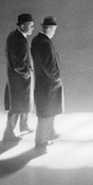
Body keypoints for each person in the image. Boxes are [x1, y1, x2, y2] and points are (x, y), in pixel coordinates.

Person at [32, 15, 63, 149]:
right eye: (54, 29)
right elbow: (49, 66)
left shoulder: (36, 40)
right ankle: (41, 141)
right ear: (49, 28)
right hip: (49, 84)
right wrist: (56, 78)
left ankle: (51, 133)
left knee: (49, 111)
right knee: (46, 113)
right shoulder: (45, 44)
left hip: (42, 82)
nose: (55, 31)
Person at [3, 13, 35, 141]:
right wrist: (27, 73)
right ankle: (8, 133)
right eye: (30, 26)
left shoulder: (15, 36)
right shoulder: (19, 40)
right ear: (22, 26)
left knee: (23, 105)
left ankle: (24, 126)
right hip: (19, 81)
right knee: (16, 107)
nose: (33, 28)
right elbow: (18, 64)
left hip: (18, 80)